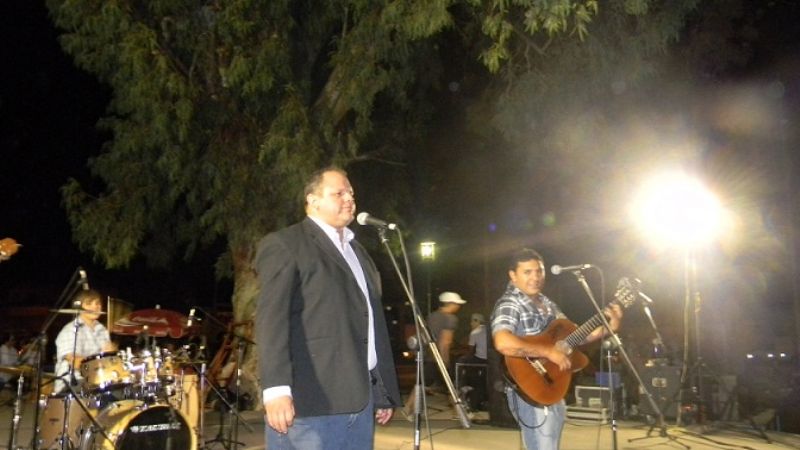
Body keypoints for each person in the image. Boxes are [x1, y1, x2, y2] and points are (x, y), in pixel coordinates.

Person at [254, 166, 401, 450]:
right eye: (339, 193)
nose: (349, 199)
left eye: (351, 193)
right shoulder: (286, 244)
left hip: (360, 401)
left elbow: (369, 323)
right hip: (310, 402)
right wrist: (276, 390)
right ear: (313, 200)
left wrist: (382, 390)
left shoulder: (358, 253)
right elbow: (272, 321)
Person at [491, 248, 622, 450]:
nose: (535, 277)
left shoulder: (547, 304)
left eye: (539, 271)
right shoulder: (510, 303)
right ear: (513, 275)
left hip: (552, 384)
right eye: (527, 272)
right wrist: (547, 352)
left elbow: (574, 336)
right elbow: (502, 342)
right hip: (529, 388)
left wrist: (607, 328)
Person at [402, 291, 466, 417]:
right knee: (451, 385)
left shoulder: (432, 316)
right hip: (438, 357)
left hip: (427, 355)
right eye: (457, 304)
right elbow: (445, 341)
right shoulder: (451, 319)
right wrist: (445, 360)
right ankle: (459, 414)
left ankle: (407, 408)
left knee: (421, 384)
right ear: (451, 304)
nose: (459, 306)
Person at [54, 289, 115, 393]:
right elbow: (75, 361)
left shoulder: (102, 329)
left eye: (97, 303)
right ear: (79, 307)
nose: (95, 307)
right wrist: (100, 363)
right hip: (72, 382)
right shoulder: (71, 330)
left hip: (97, 379)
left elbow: (109, 360)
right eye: (89, 303)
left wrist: (111, 355)